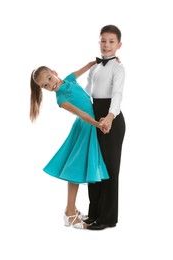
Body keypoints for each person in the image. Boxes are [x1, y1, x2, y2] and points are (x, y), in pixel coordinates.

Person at [29, 61, 110, 229]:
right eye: (45, 85)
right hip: (86, 127)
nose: (51, 85)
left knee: (79, 167)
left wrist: (100, 61)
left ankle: (70, 208)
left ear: (54, 71)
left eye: (50, 78)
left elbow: (86, 67)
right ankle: (70, 213)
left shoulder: (70, 79)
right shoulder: (61, 99)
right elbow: (82, 114)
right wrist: (98, 124)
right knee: (76, 169)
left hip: (89, 126)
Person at [84, 25, 126, 230]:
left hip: (112, 118)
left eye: (111, 41)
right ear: (98, 42)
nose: (106, 45)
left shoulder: (118, 68)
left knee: (109, 168)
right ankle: (94, 214)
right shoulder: (94, 68)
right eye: (103, 41)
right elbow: (86, 93)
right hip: (93, 118)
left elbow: (117, 94)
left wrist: (108, 117)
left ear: (119, 45)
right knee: (94, 166)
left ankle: (107, 218)